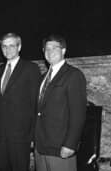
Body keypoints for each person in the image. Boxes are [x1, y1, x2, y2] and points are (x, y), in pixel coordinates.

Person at [35, 34, 87, 171]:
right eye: (46, 48)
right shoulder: (42, 78)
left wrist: (70, 144)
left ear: (63, 50)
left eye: (54, 47)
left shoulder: (74, 75)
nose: (50, 51)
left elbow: (78, 114)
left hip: (60, 146)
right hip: (41, 146)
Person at [0, 33, 41, 171]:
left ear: (19, 47)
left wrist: (33, 135)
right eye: (4, 46)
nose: (8, 49)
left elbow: (35, 103)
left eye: (12, 45)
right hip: (0, 134)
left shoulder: (30, 68)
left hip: (21, 135)